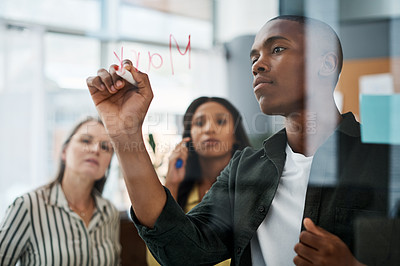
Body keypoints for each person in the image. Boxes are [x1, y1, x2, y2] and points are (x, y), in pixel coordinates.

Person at [86, 15, 393, 265]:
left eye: (277, 49)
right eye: (254, 57)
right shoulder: (245, 168)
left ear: (325, 64)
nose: (257, 65)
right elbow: (183, 249)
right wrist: (125, 134)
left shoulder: (387, 162)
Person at [0, 117, 121, 265]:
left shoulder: (110, 213)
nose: (96, 149)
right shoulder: (27, 206)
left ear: (108, 163)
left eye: (105, 147)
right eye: (86, 141)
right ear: (64, 151)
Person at [146, 96, 251, 266]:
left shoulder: (253, 190)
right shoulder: (181, 192)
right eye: (200, 123)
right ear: (189, 137)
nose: (209, 129)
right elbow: (155, 261)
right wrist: (172, 185)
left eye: (220, 121)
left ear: (236, 136)